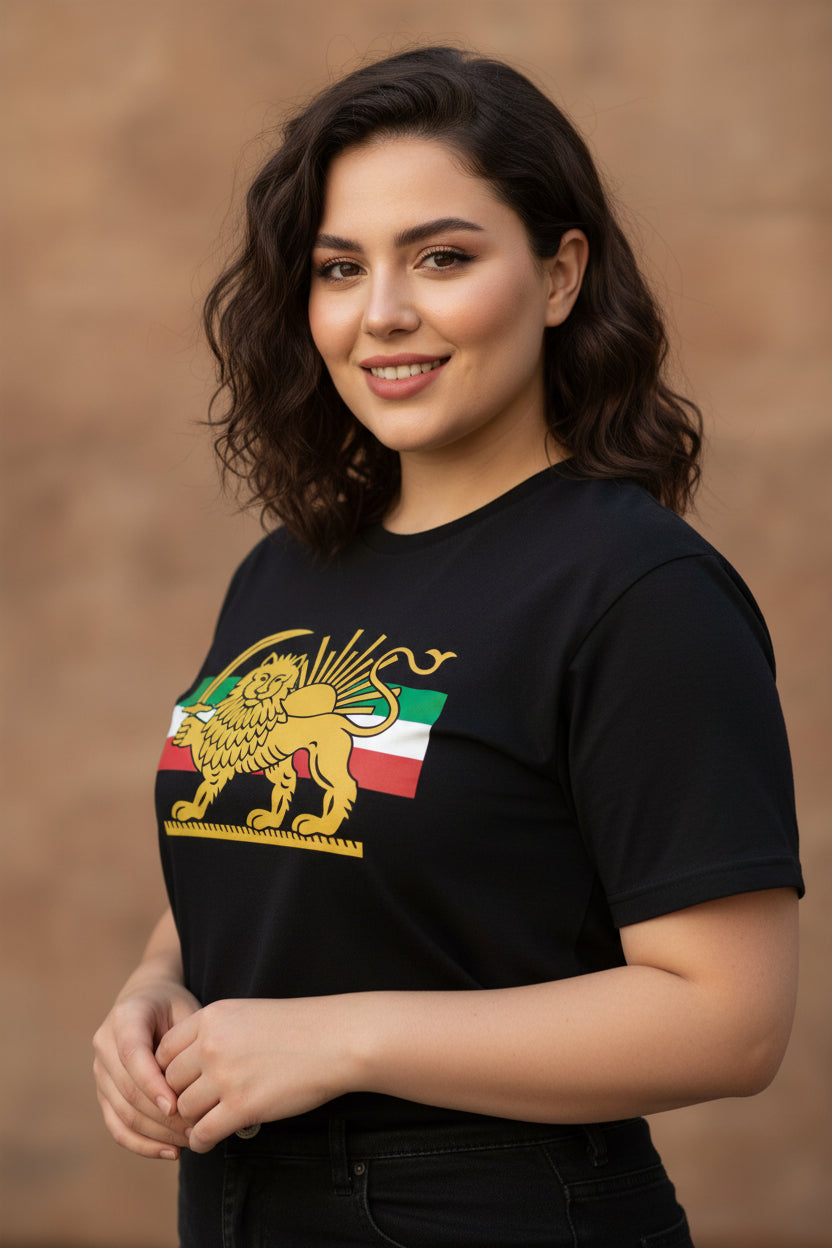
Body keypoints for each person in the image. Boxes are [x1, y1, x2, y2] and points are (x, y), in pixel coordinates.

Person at [93, 46, 803, 1247]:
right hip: (239, 1210)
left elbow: (729, 1022)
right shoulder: (285, 572)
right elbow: (272, 839)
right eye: (338, 268)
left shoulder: (637, 590)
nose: (382, 313)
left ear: (560, 273)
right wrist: (154, 992)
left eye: (442, 257)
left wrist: (342, 1036)